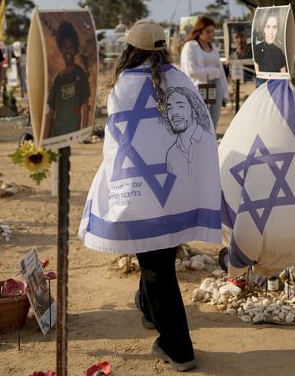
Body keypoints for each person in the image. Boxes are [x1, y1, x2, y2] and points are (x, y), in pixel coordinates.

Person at [79, 20, 223, 372]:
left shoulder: (121, 86)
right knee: (159, 252)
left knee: (157, 267)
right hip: (176, 184)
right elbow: (202, 128)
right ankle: (147, 308)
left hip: (142, 188)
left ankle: (178, 348)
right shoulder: (179, 78)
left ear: (129, 50)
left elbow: (118, 145)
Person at [43, 21, 90, 139]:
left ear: (75, 49)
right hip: (57, 134)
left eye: (70, 47)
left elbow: (85, 107)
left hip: (73, 135)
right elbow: (50, 112)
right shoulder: (58, 78)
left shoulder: (80, 74)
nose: (67, 51)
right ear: (60, 49)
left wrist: (83, 135)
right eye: (64, 47)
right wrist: (44, 139)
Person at [180, 16, 228, 129]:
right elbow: (191, 71)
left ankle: (212, 145)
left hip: (216, 89)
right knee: (198, 123)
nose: (211, 34)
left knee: (213, 123)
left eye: (212, 31)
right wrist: (213, 72)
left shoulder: (213, 47)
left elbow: (220, 70)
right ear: (200, 31)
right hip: (197, 89)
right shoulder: (190, 46)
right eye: (208, 31)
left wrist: (225, 93)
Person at [160, 87, 216, 176]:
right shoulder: (172, 153)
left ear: (194, 110)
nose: (174, 113)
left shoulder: (208, 142)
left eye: (180, 106)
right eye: (169, 108)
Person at [253, 8, 287, 85]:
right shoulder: (257, 49)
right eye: (268, 27)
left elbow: (284, 75)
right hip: (263, 89)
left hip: (278, 89)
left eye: (274, 27)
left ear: (277, 30)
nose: (271, 32)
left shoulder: (279, 51)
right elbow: (258, 75)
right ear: (264, 29)